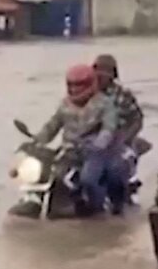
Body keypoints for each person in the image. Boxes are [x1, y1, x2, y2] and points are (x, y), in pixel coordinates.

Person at [34, 64, 128, 216]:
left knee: (88, 180)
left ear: (91, 83)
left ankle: (97, 209)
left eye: (79, 85)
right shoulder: (65, 104)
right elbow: (53, 124)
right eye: (71, 85)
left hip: (95, 152)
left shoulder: (105, 103)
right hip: (70, 151)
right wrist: (38, 139)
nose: (74, 89)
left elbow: (109, 127)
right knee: (51, 175)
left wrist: (100, 142)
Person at [92, 54, 148, 202]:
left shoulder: (123, 95)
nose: (100, 74)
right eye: (97, 69)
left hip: (119, 141)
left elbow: (137, 119)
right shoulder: (86, 93)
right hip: (93, 142)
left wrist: (126, 139)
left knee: (119, 170)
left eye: (105, 70)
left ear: (113, 74)